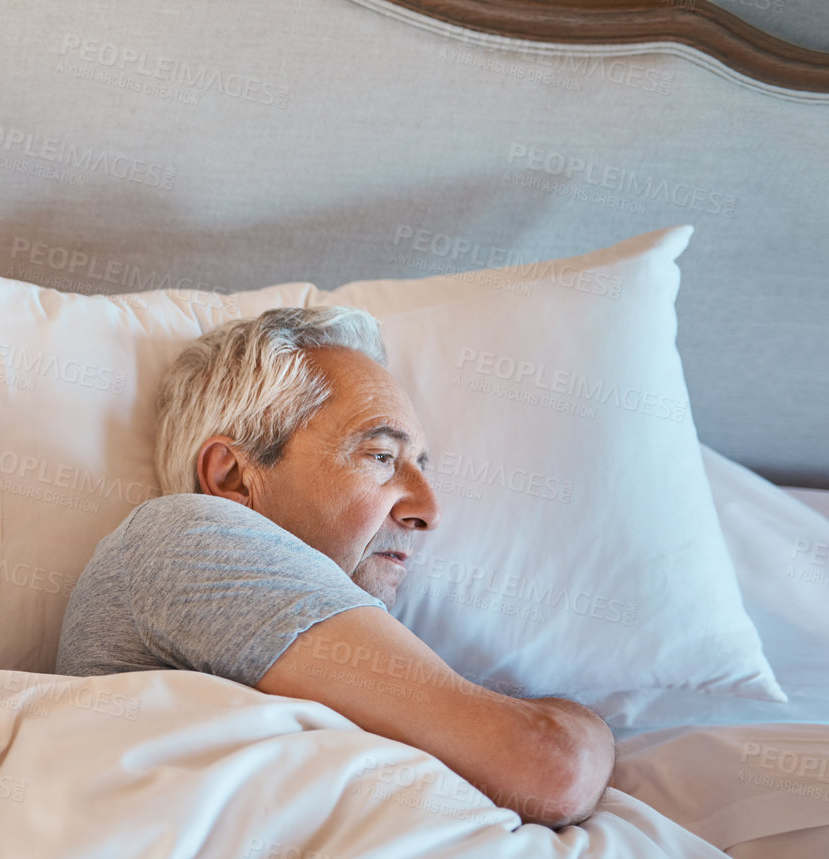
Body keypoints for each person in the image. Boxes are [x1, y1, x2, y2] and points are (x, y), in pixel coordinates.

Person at [55, 306, 611, 828]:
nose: (430, 510)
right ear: (231, 478)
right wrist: (585, 729)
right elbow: (555, 767)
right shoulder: (182, 535)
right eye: (381, 457)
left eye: (419, 464)